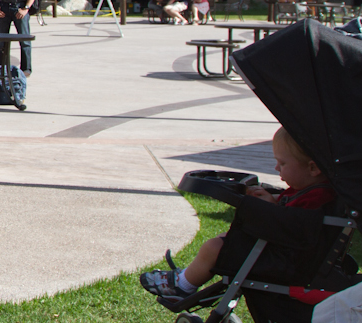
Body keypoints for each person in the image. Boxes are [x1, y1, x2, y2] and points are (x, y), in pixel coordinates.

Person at [140, 126, 333, 300]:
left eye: (281, 164)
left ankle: (182, 286)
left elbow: (293, 224)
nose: (276, 168)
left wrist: (270, 208)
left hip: (285, 261)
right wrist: (273, 201)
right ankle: (185, 276)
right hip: (289, 253)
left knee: (214, 247)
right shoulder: (311, 189)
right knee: (226, 239)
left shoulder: (316, 198)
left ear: (313, 168)